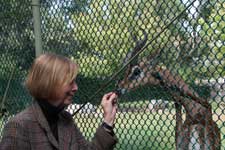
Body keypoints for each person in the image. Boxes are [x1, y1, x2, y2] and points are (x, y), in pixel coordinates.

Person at [0, 53, 118, 150]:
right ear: (49, 84)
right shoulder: (18, 126)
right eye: (70, 82)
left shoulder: (66, 119)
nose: (76, 88)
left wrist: (108, 121)